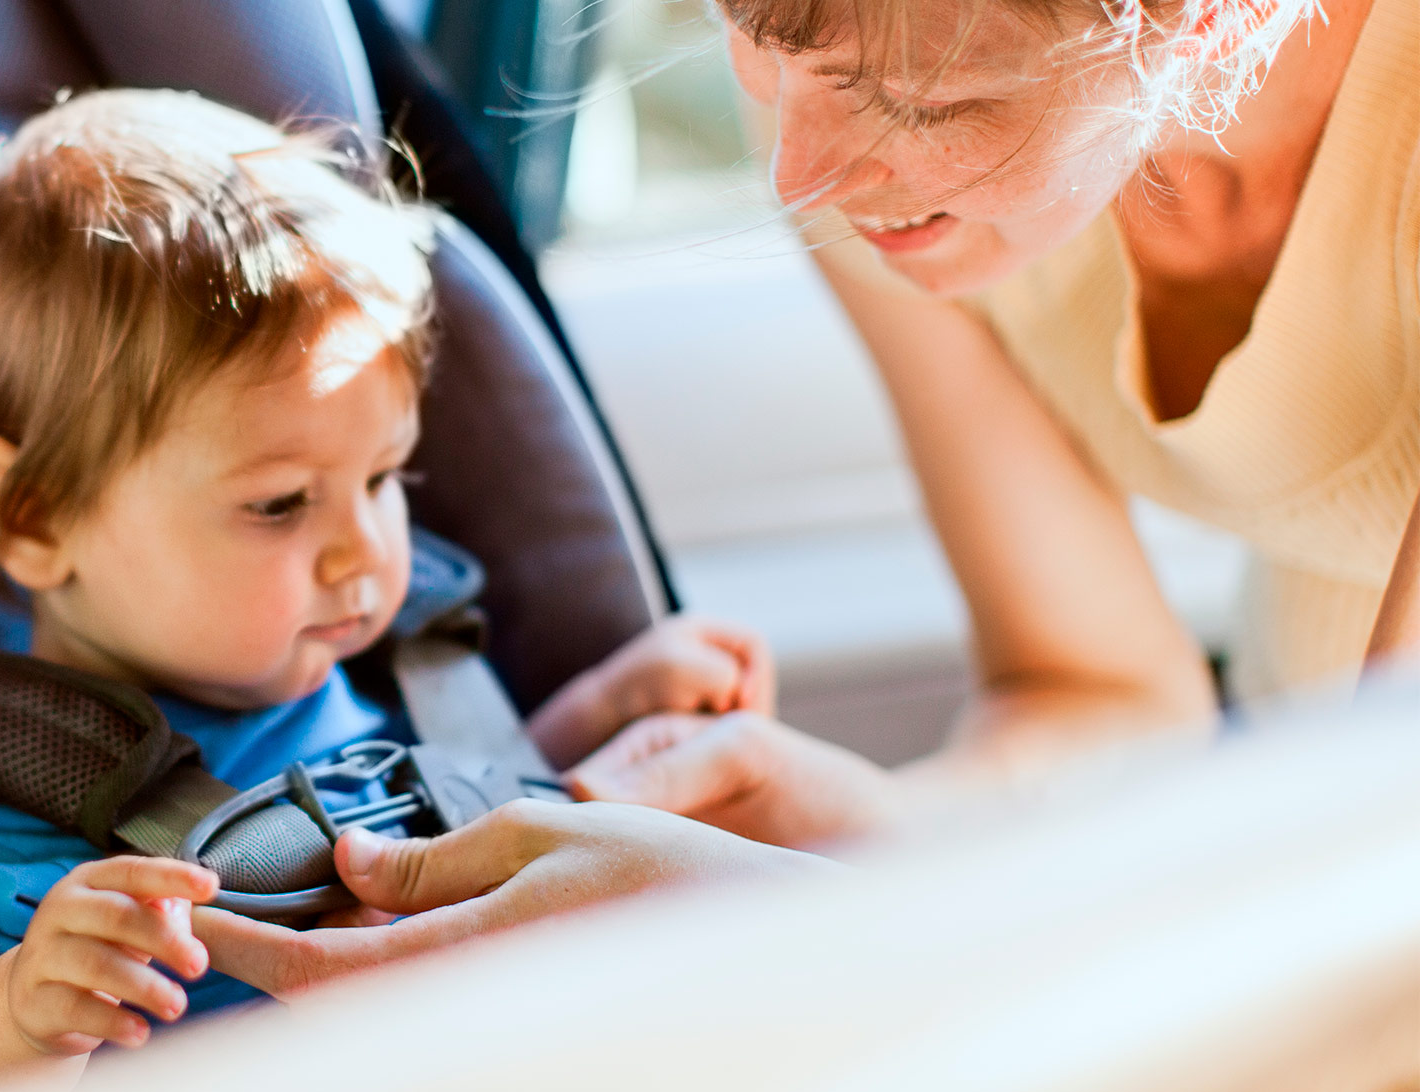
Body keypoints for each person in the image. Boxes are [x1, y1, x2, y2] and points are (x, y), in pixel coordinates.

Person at [195, 0, 1420, 995]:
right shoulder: (850, 53)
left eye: (923, 104)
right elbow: (1099, 689)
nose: (802, 170)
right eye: (758, 33)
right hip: (1301, 758)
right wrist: (863, 828)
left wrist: (803, 926)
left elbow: (1369, 908)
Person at [0, 89, 775, 1092]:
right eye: (279, 505)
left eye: (384, 478)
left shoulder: (332, 670)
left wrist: (593, 719)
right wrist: (20, 1016)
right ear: (33, 516)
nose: (364, 549)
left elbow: (429, 828)